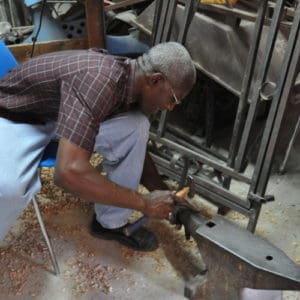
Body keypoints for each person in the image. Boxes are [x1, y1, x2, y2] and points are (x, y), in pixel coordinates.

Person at [0, 42, 196, 251]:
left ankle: (110, 224)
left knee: (136, 126)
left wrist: (167, 197)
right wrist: (144, 203)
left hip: (54, 115)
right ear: (155, 80)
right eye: (172, 99)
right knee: (10, 189)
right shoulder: (98, 80)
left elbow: (134, 146)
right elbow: (67, 174)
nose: (169, 107)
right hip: (15, 116)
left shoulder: (129, 83)